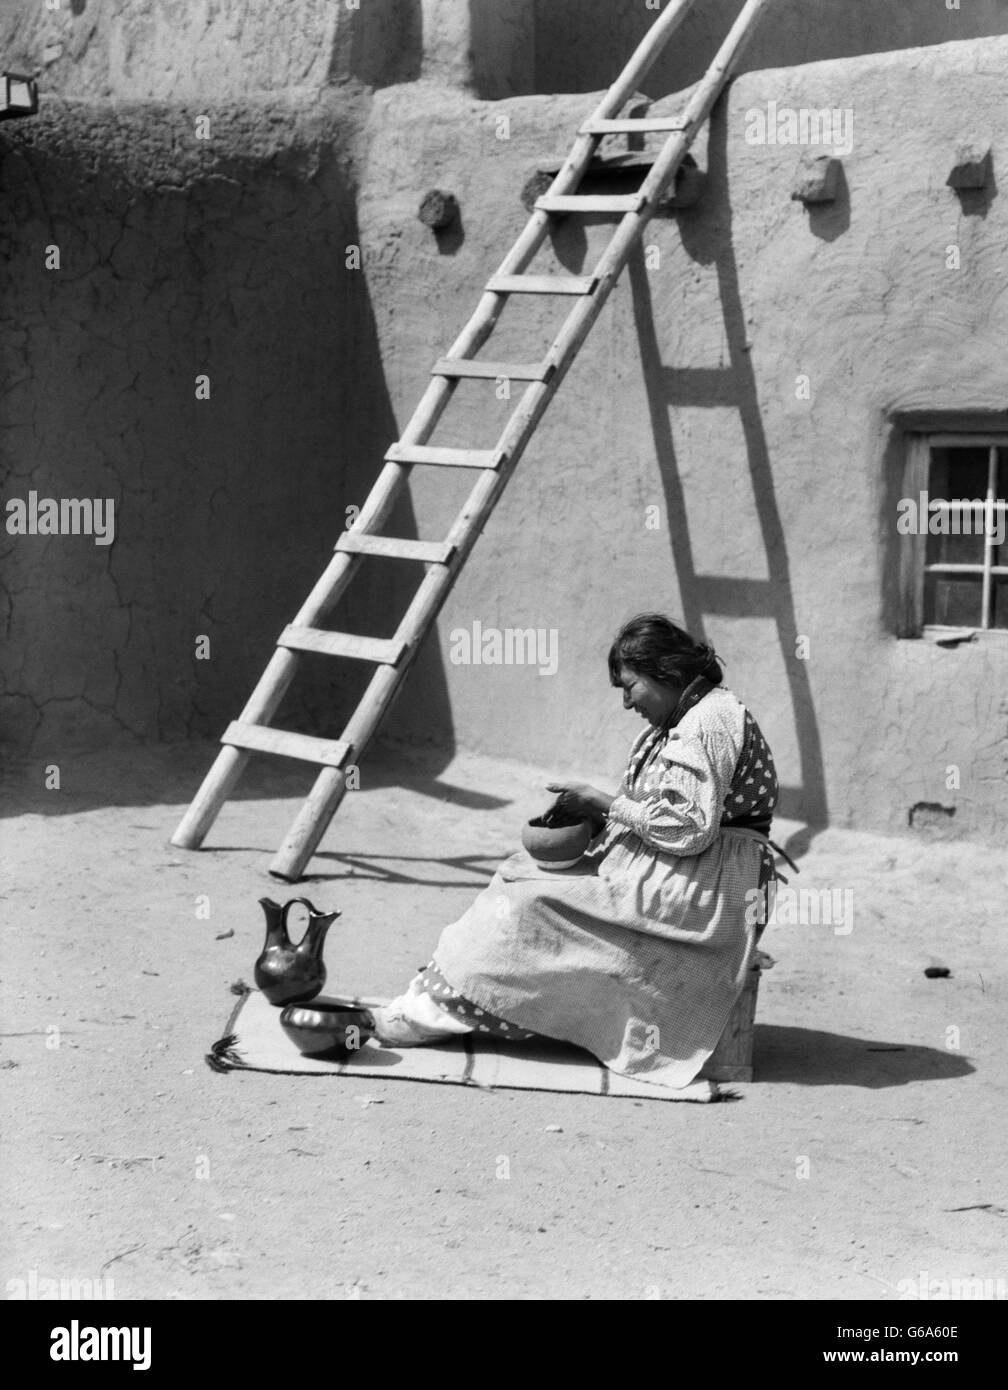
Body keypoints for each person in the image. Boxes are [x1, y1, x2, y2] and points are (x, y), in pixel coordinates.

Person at [367, 613, 787, 1092]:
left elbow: (689, 829)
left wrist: (602, 803)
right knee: (520, 877)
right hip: (680, 870)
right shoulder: (685, 717)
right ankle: (441, 996)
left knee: (534, 903)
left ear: (665, 673)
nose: (627, 702)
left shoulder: (708, 722)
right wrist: (594, 820)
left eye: (630, 687)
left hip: (706, 888)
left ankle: (433, 1013)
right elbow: (664, 810)